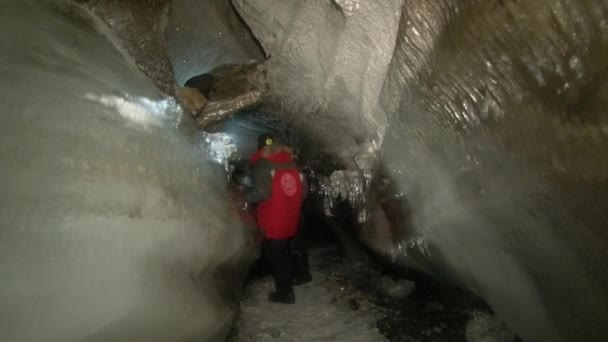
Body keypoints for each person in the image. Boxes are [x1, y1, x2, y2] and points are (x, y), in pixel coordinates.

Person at [244, 133, 306, 304]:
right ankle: (291, 279)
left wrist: (243, 196)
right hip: (291, 217)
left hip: (273, 218)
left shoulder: (262, 165)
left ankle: (285, 293)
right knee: (284, 251)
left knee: (275, 255)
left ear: (260, 148)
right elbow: (304, 191)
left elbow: (261, 193)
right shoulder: (293, 164)